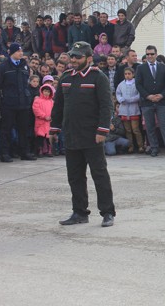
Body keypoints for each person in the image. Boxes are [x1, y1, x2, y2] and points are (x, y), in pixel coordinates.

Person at [50, 41, 116, 227]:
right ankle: (79, 212)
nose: (73, 59)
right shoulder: (66, 77)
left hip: (92, 136)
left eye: (77, 56)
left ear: (88, 58)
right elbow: (58, 106)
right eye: (72, 56)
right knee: (75, 176)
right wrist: (54, 128)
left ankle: (107, 212)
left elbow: (106, 106)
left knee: (99, 174)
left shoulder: (98, 77)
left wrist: (102, 130)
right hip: (71, 135)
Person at [135, 45, 165, 157]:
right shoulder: (141, 68)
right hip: (147, 102)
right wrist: (148, 96)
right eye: (147, 54)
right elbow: (138, 85)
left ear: (156, 54)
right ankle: (154, 148)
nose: (149, 56)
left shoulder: (163, 67)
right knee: (150, 127)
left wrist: (161, 95)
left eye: (151, 54)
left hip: (161, 101)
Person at [0, 43, 37, 162]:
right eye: (18, 51)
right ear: (12, 52)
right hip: (8, 103)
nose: (21, 53)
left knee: (23, 129)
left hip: (23, 103)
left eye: (21, 51)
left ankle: (24, 152)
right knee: (6, 129)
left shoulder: (25, 66)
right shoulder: (3, 67)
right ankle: (5, 153)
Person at [116, 67, 144, 154]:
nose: (127, 76)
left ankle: (140, 145)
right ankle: (130, 146)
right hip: (124, 109)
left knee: (135, 129)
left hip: (133, 108)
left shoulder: (137, 83)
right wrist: (121, 99)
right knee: (127, 130)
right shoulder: (121, 84)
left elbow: (139, 94)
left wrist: (132, 99)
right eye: (126, 74)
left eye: (129, 74)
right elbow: (118, 93)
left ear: (133, 74)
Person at [33, 83, 55, 157]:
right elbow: (36, 110)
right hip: (40, 122)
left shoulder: (51, 102)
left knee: (48, 138)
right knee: (40, 137)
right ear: (41, 91)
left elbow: (54, 110)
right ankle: (40, 150)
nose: (46, 93)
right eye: (45, 91)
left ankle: (49, 150)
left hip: (49, 122)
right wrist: (44, 116)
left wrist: (51, 117)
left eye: (48, 92)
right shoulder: (37, 100)